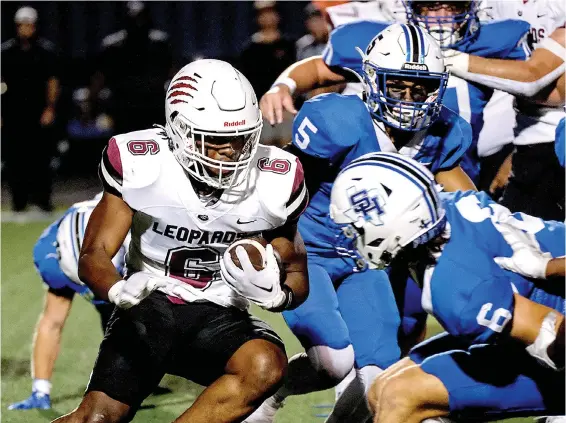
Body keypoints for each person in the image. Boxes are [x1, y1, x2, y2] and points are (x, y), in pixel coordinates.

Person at [51, 59, 310, 423]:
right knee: (97, 419)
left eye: (240, 138)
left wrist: (279, 295)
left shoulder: (276, 179)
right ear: (178, 129)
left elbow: (296, 268)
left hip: (220, 313)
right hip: (149, 306)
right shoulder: (143, 163)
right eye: (216, 140)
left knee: (266, 365)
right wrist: (118, 290)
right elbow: (94, 253)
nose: (231, 151)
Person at [244, 23, 474, 423]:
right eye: (397, 85)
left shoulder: (444, 133)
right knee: (330, 363)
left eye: (419, 89)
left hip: (365, 261)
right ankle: (269, 394)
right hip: (307, 252)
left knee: (378, 373)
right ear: (371, 80)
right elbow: (284, 183)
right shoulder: (339, 120)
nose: (408, 99)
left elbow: (467, 203)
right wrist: (265, 243)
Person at [328, 152, 565, 422]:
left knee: (400, 397)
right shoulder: (446, 210)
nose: (352, 238)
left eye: (357, 230)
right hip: (529, 321)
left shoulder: (455, 286)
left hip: (554, 336)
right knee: (381, 388)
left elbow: (556, 337)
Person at [260, 1, 531, 185]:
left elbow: (537, 87)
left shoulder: (498, 38)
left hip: (452, 158)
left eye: (453, 5)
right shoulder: (386, 40)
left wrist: (516, 156)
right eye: (431, 6)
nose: (442, 17)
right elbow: (322, 69)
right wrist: (284, 85)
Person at [443, 0, 566, 220]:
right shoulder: (494, 4)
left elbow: (535, 83)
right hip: (527, 138)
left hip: (556, 140)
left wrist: (446, 59)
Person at [7, 193, 125, 411]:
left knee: (130, 326)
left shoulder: (137, 239)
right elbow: (52, 322)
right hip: (92, 265)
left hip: (124, 267)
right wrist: (40, 391)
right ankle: (40, 391)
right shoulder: (51, 256)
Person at [1, 6, 61, 213]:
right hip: (12, 113)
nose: (25, 29)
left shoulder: (45, 51)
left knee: (41, 158)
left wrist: (50, 108)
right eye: (22, 25)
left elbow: (52, 81)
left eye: (29, 25)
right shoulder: (6, 52)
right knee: (14, 159)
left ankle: (43, 200)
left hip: (38, 112)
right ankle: (19, 201)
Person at [93, 1, 174, 134]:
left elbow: (173, 72)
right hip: (123, 106)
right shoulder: (113, 46)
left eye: (141, 19)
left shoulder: (160, 44)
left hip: (152, 104)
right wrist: (96, 108)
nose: (138, 24)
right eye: (134, 20)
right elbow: (99, 78)